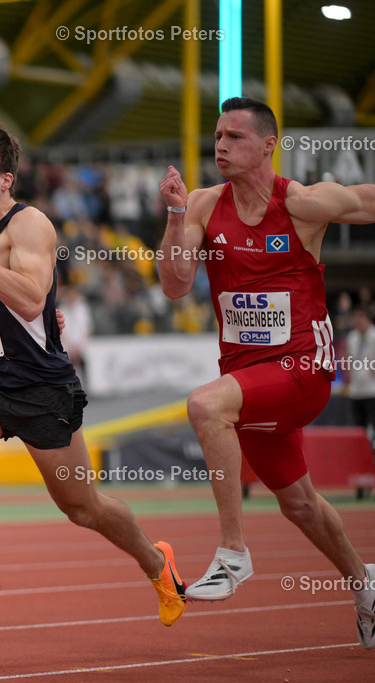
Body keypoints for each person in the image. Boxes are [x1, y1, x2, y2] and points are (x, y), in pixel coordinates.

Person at [0, 124, 187, 627]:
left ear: (6, 179)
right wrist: (34, 311)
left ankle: (157, 562)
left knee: (83, 508)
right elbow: (4, 306)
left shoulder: (29, 224)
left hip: (42, 389)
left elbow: (28, 299)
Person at [158, 96, 374, 648]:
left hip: (303, 370)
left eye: (234, 136)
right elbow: (175, 285)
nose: (221, 145)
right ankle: (366, 586)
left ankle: (233, 553)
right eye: (217, 136)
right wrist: (176, 216)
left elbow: (364, 200)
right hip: (249, 378)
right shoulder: (203, 205)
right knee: (299, 504)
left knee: (205, 405)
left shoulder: (302, 203)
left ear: (268, 144)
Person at [345, 306, 375, 468]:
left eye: (361, 317)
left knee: (373, 429)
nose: (358, 321)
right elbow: (348, 359)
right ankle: (361, 462)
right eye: (355, 317)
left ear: (368, 318)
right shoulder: (352, 337)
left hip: (372, 390)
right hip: (356, 390)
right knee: (359, 429)